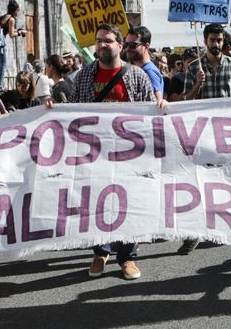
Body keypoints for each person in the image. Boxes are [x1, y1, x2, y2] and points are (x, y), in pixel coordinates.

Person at [69, 23, 160, 280]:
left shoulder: (137, 76)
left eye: (108, 40)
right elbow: (72, 113)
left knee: (127, 204)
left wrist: (160, 105)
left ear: (120, 45)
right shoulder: (84, 76)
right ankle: (100, 251)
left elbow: (149, 113)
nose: (102, 44)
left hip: (128, 154)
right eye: (99, 40)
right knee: (96, 203)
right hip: (94, 153)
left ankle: (127, 257)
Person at [180, 24, 231, 254]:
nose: (216, 44)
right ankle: (194, 232)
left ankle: (225, 226)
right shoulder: (194, 68)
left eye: (219, 40)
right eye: (212, 40)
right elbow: (186, 101)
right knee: (199, 183)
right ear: (205, 41)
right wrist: (198, 82)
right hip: (202, 134)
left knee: (226, 181)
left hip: (226, 133)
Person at [0, 0, 26, 88]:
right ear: (16, 10)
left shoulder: (6, 16)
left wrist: (19, 30)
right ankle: (0, 86)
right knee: (3, 64)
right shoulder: (12, 19)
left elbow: (8, 30)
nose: (18, 12)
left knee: (0, 64)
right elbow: (11, 34)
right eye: (18, 10)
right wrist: (20, 33)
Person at [124, 26, 164, 101]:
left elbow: (157, 102)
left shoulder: (149, 71)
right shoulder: (137, 69)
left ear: (146, 46)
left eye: (133, 45)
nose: (127, 48)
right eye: (126, 44)